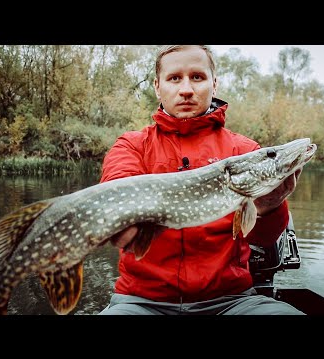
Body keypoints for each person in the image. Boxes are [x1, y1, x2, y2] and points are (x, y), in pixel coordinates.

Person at [99, 45, 304, 315]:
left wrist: (271, 207)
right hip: (142, 302)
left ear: (214, 84)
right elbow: (116, 216)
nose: (186, 89)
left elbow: (264, 239)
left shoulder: (245, 151)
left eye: (197, 77)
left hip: (232, 301)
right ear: (158, 87)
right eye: (174, 78)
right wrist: (120, 226)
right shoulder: (131, 146)